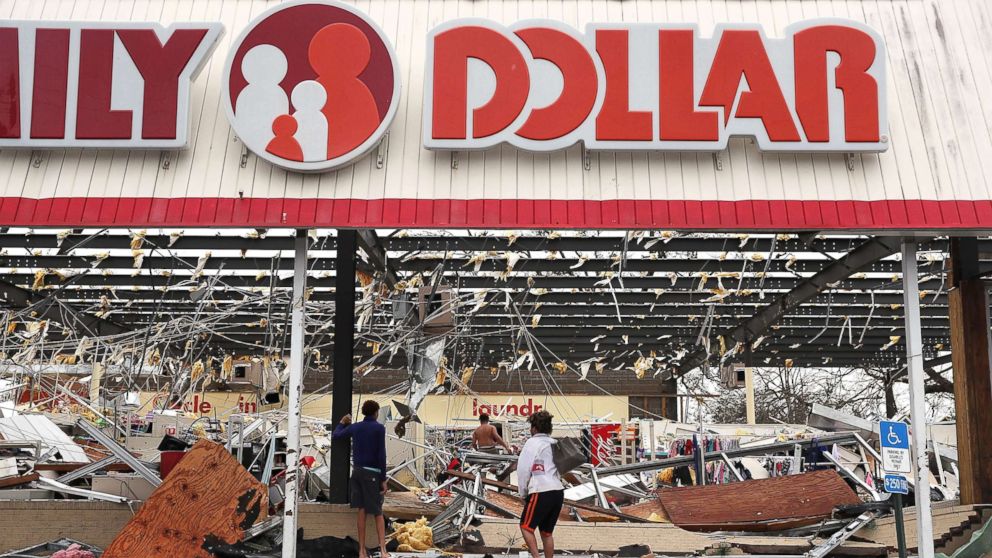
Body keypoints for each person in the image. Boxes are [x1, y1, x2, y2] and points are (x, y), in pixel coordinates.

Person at [333, 400, 389, 558]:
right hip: (372, 474)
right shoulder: (379, 428)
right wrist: (383, 478)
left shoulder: (356, 427)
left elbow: (337, 435)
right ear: (376, 412)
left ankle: (361, 551)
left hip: (356, 472)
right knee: (378, 512)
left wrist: (342, 422)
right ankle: (384, 551)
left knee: (362, 510)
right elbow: (381, 455)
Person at [516, 410, 564, 558]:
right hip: (557, 491)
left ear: (534, 428)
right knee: (546, 533)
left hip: (541, 490)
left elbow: (523, 469)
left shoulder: (531, 443)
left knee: (526, 527)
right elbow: (562, 468)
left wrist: (523, 492)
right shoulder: (554, 443)